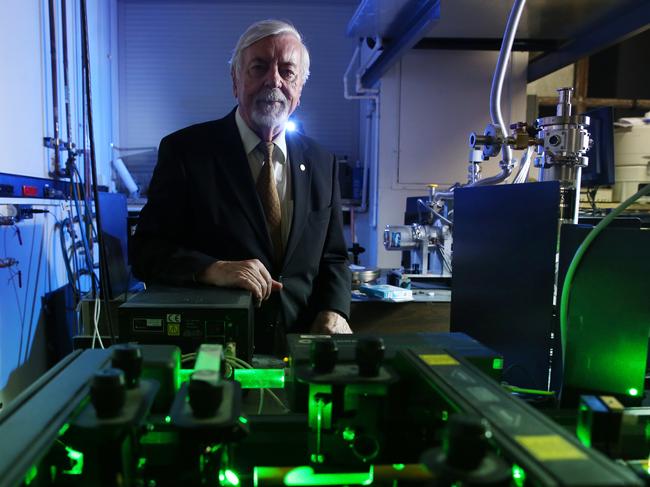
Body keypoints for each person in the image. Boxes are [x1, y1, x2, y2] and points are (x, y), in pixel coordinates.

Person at [130, 19, 352, 354]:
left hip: (300, 349)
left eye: (287, 71)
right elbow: (146, 251)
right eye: (259, 67)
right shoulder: (187, 153)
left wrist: (334, 310)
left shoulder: (323, 163)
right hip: (215, 353)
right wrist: (211, 269)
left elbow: (334, 256)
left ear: (300, 88)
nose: (273, 81)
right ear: (236, 81)